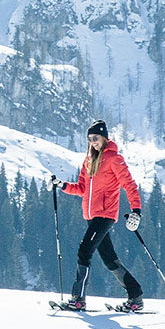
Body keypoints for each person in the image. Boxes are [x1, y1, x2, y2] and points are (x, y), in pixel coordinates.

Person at [49, 120, 143, 311]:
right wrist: (62, 185)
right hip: (91, 216)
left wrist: (136, 211)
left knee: (85, 251)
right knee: (109, 259)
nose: (93, 142)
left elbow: (129, 184)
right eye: (90, 139)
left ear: (104, 138)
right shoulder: (89, 161)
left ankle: (78, 299)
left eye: (96, 138)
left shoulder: (114, 159)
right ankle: (135, 297)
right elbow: (82, 188)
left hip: (105, 215)